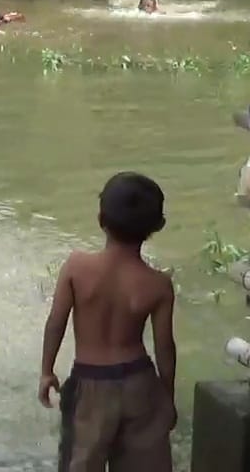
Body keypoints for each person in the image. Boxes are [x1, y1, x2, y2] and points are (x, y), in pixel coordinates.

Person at [39, 172, 176, 472]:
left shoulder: (77, 267)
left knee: (81, 462)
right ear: (158, 226)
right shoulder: (158, 285)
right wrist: (166, 397)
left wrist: (46, 370)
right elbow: (165, 348)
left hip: (90, 385)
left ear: (101, 217)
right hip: (139, 384)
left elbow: (55, 322)